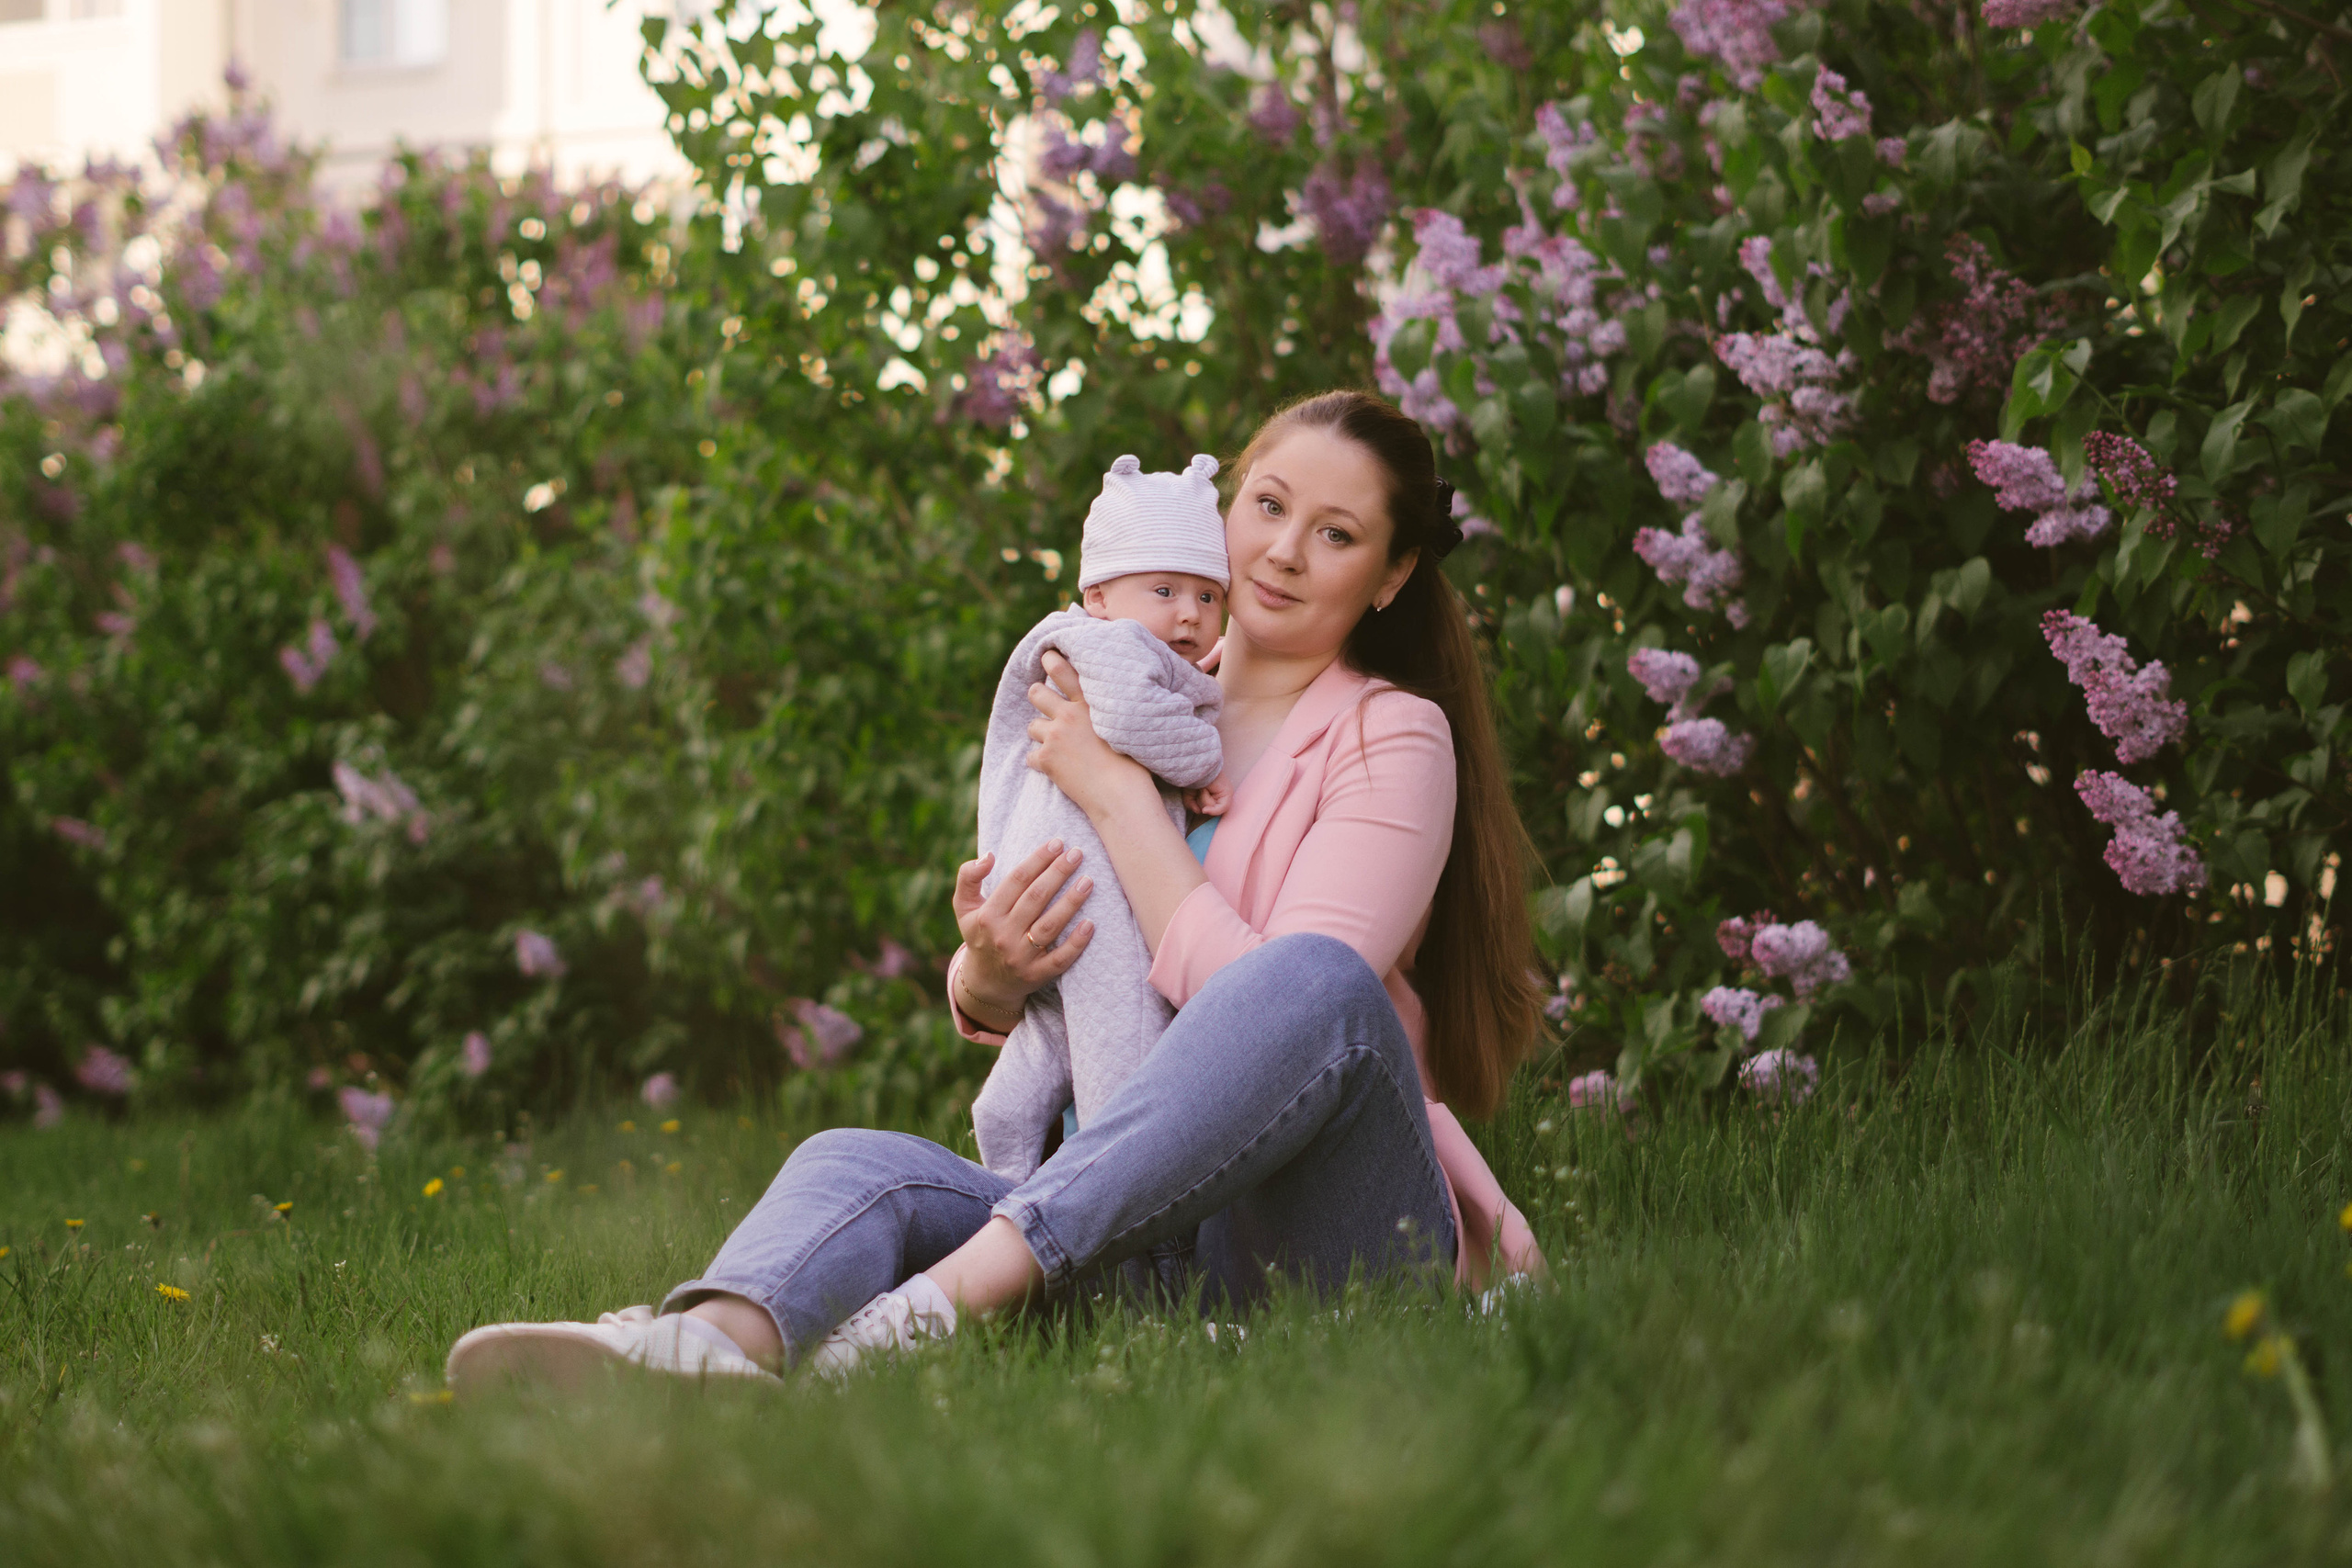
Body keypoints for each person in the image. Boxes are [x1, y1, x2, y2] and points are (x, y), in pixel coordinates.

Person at [443, 389, 1548, 1393]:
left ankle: (923, 1315)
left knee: (1313, 979)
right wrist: (990, 971)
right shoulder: (1116, 694)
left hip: (1311, 1241)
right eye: (1267, 505)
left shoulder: (1393, 737)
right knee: (851, 1160)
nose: (1285, 552)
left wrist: (1115, 797)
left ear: (1390, 575)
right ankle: (709, 1354)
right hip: (1133, 1235)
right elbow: (1043, 969)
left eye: (1337, 535)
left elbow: (1285, 1018)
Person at [968, 451, 1237, 1185]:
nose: (1189, 613)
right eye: (1164, 588)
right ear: (1098, 596)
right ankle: (1123, 1226)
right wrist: (1209, 762)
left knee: (1044, 1052)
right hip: (1084, 891)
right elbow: (1133, 718)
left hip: (1059, 887)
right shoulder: (1108, 646)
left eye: (1210, 596)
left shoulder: (1119, 644)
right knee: (1121, 1065)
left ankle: (1009, 1188)